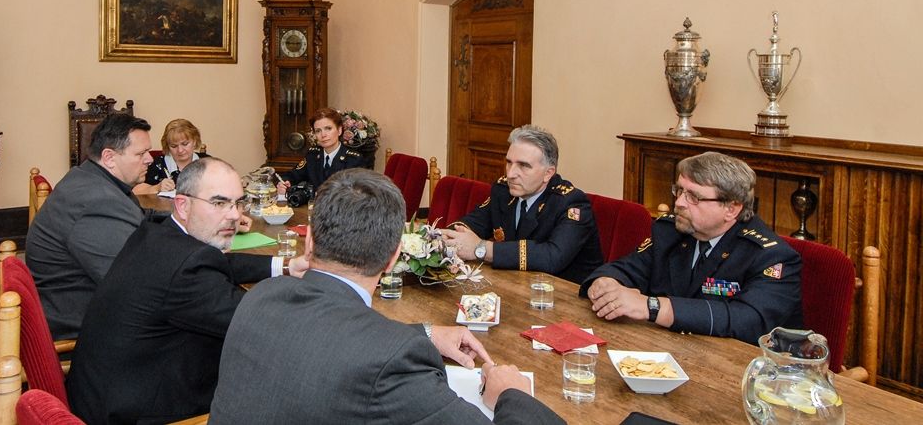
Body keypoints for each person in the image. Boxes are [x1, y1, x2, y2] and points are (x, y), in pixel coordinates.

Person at [209, 168, 564, 424]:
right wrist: (511, 395)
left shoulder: (262, 296)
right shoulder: (393, 362)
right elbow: (365, 353)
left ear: (310, 242)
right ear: (394, 257)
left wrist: (425, 333)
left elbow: (330, 338)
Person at [67, 157, 307, 424]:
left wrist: (286, 266)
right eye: (219, 203)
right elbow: (258, 320)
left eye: (238, 203)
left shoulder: (156, 235)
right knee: (285, 381)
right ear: (182, 205)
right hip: (139, 413)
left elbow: (218, 262)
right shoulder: (188, 270)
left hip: (104, 393)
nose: (234, 215)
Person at [582, 151, 802, 345]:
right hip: (673, 350)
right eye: (679, 191)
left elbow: (749, 320)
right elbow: (626, 268)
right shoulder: (671, 232)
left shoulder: (770, 256)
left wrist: (653, 307)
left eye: (693, 197)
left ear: (732, 209)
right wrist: (606, 284)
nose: (679, 203)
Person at [25, 113, 155, 339]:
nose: (150, 159)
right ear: (109, 157)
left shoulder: (88, 178)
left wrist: (187, 218)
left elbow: (142, 218)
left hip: (71, 307)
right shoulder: (99, 201)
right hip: (84, 331)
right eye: (141, 153)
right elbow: (136, 285)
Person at [440, 125, 603, 284]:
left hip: (563, 295)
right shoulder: (503, 190)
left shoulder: (571, 203)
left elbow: (552, 256)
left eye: (523, 166)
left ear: (548, 173)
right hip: (516, 284)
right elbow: (475, 222)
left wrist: (480, 248)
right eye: (509, 162)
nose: (511, 174)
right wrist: (446, 238)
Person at [276, 107, 372, 203]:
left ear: (339, 130)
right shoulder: (312, 155)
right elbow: (292, 175)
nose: (323, 135)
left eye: (328, 129)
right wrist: (284, 183)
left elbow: (360, 195)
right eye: (318, 131)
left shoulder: (353, 159)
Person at [133, 118, 209, 196]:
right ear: (167, 146)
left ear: (195, 141)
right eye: (174, 146)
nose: (180, 150)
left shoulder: (207, 162)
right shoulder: (156, 164)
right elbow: (134, 191)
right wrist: (156, 188)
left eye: (185, 144)